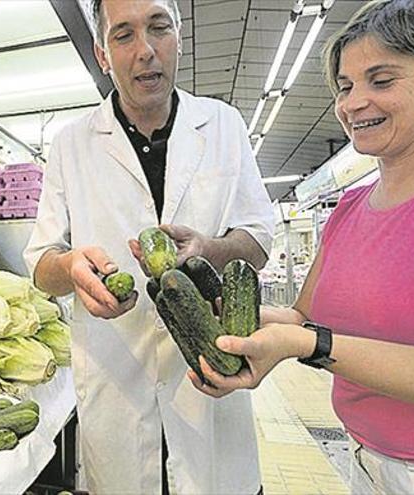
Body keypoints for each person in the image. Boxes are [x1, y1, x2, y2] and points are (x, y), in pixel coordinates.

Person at [190, 1, 414, 494]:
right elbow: (302, 319)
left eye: (382, 81)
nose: (354, 103)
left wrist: (309, 345)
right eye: (345, 86)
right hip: (368, 463)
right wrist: (238, 325)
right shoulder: (350, 208)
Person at [23, 0, 274, 492]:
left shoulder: (223, 126)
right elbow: (41, 262)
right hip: (117, 381)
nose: (145, 51)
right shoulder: (71, 143)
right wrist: (73, 267)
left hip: (210, 380)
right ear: (101, 52)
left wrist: (208, 248)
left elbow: (260, 241)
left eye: (159, 28)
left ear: (179, 37)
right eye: (124, 36)